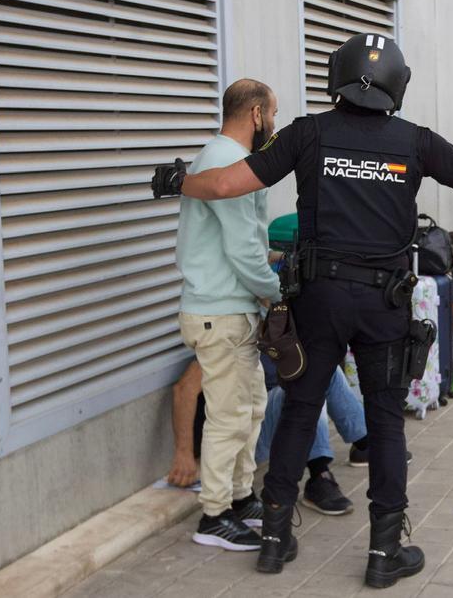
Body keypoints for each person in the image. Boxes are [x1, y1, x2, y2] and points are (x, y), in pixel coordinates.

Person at [151, 33, 453, 586]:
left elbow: (225, 183)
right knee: (387, 422)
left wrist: (181, 180)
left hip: (317, 299)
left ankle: (273, 540)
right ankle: (383, 553)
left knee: (301, 410)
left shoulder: (308, 133)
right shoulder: (414, 142)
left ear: (337, 77)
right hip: (383, 303)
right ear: (398, 83)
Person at [175, 79, 284, 552]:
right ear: (257, 113)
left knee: (249, 407)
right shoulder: (228, 164)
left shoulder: (213, 157)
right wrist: (277, 296)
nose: (275, 124)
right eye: (273, 114)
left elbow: (245, 244)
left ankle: (240, 498)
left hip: (227, 309)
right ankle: (214, 515)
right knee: (228, 416)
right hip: (222, 312)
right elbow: (243, 249)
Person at [167, 359, 372, 516]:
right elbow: (184, 389)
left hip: (268, 425)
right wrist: (183, 454)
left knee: (321, 365)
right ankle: (319, 474)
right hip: (243, 439)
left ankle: (364, 443)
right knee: (306, 386)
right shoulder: (231, 334)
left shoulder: (282, 329)